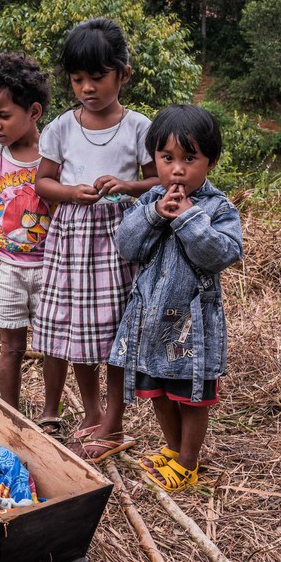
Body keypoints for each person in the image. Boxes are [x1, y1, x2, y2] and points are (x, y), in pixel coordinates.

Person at [32, 18, 158, 461]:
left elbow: (157, 181)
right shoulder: (62, 128)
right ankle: (90, 413)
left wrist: (126, 188)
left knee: (117, 333)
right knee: (80, 333)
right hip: (74, 244)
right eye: (78, 78)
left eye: (98, 77)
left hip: (122, 243)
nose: (87, 88)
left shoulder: (139, 128)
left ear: (123, 74)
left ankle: (113, 420)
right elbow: (42, 183)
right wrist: (70, 193)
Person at [110, 103, 243, 492]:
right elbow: (126, 246)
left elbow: (222, 254)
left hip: (191, 329)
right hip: (151, 322)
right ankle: (172, 450)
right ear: (154, 158)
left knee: (190, 395)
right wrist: (154, 214)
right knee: (158, 390)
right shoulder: (150, 200)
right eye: (167, 158)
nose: (178, 169)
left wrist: (187, 218)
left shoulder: (218, 208)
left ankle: (188, 463)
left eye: (190, 158)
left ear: (211, 161)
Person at [0, 52, 68, 436]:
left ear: (34, 111)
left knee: (53, 345)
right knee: (11, 346)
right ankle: (9, 415)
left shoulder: (56, 156)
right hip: (3, 267)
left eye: (3, 116)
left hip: (49, 267)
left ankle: (50, 414)